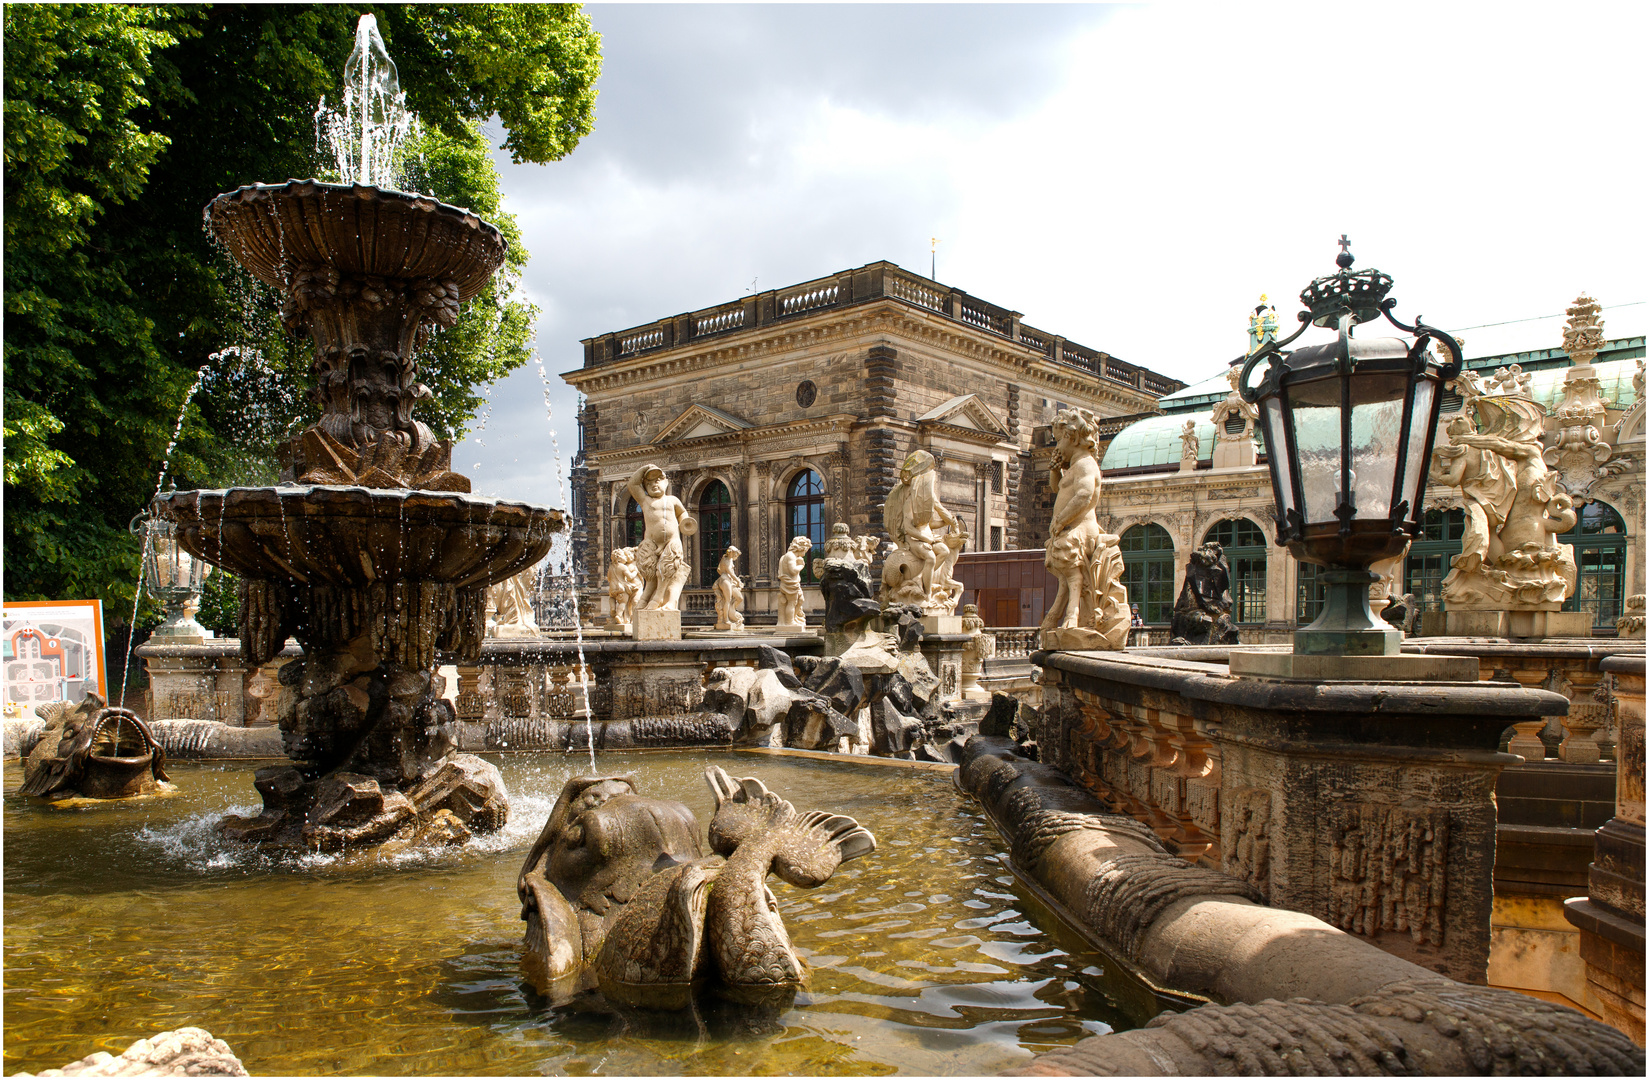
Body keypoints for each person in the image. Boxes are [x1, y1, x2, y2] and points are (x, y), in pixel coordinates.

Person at [625, 464, 697, 612]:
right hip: (650, 542)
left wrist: (685, 521)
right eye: (649, 483)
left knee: (666, 569)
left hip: (672, 541)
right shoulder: (645, 501)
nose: (654, 485)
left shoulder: (673, 500)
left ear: (666, 482)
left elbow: (682, 513)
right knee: (650, 573)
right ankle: (646, 598)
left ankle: (657, 598)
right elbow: (632, 484)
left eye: (657, 480)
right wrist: (646, 468)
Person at [776, 537, 812, 627]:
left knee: (800, 600)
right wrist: (801, 565)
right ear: (801, 548)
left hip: (793, 584)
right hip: (790, 585)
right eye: (806, 550)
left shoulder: (789, 556)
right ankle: (789, 622)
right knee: (792, 603)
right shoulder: (790, 556)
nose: (804, 554)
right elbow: (793, 571)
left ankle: (794, 617)